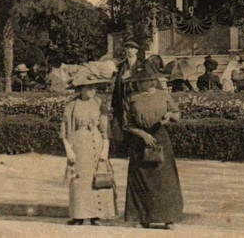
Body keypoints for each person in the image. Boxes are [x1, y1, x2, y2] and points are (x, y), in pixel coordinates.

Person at [123, 65, 183, 229]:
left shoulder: (164, 95)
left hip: (160, 138)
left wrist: (170, 115)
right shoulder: (132, 98)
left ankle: (168, 218)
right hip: (140, 140)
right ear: (138, 82)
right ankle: (142, 218)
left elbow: (177, 115)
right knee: (140, 179)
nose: (148, 83)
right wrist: (143, 135)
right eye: (144, 81)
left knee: (165, 179)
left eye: (151, 80)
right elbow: (126, 124)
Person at [61, 64, 117, 225]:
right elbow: (64, 131)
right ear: (81, 89)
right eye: (89, 88)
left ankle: (95, 216)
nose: (92, 91)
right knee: (79, 179)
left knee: (96, 179)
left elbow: (105, 129)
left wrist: (105, 150)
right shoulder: (71, 106)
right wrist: (69, 151)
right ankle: (78, 215)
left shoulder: (99, 103)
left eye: (94, 88)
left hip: (96, 141)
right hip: (79, 143)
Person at [111, 41, 142, 147]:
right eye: (127, 48)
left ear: (136, 50)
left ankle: (137, 146)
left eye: (131, 48)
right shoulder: (122, 65)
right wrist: (114, 103)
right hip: (124, 97)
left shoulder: (141, 65)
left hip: (137, 97)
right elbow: (117, 85)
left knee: (137, 120)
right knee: (124, 121)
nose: (129, 50)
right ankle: (125, 147)